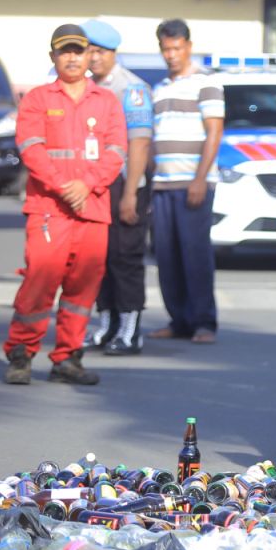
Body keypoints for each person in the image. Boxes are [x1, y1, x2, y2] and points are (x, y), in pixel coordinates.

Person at [2, 25, 127, 385]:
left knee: (82, 288)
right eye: (65, 51)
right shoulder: (38, 99)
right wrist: (63, 186)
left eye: (78, 51)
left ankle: (68, 357)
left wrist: (86, 184)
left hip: (93, 208)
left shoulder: (106, 102)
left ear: (90, 55)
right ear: (53, 57)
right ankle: (22, 353)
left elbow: (117, 149)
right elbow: (31, 148)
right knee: (40, 281)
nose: (72, 57)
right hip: (49, 209)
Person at [146, 19, 224, 345]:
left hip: (193, 183)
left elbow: (215, 131)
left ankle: (204, 322)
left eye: (177, 48)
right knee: (167, 256)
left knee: (195, 254)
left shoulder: (207, 83)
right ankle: (178, 320)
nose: (171, 55)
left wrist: (199, 179)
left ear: (188, 47)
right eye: (166, 49)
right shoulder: (160, 88)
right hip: (163, 184)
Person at [81, 20, 154, 356]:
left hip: (126, 183)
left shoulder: (131, 88)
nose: (92, 58)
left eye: (99, 51)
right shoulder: (81, 85)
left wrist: (130, 195)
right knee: (98, 257)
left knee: (125, 256)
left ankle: (130, 329)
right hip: (94, 184)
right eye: (87, 50)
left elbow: (139, 144)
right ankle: (107, 323)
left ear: (113, 53)